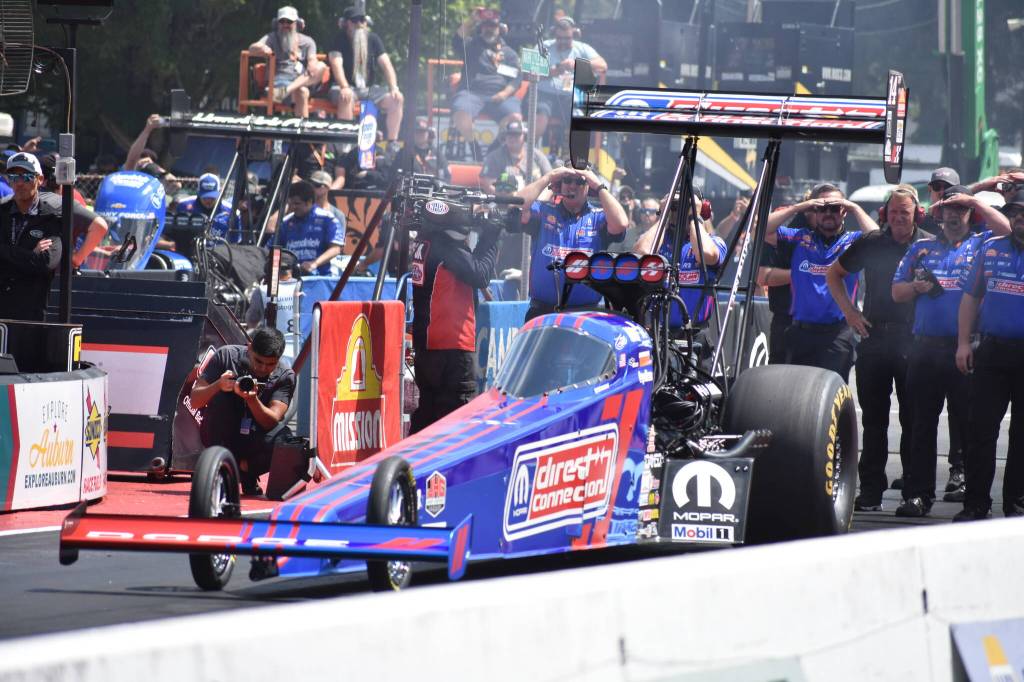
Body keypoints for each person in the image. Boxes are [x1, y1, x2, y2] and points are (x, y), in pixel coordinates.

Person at [891, 185, 1010, 517]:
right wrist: (915, 287)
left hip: (967, 350)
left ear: (970, 214)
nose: (954, 216)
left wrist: (973, 199)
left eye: (961, 210)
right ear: (938, 214)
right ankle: (917, 496)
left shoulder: (984, 243)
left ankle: (973, 498)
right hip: (925, 349)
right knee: (920, 426)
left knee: (972, 427)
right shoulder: (921, 247)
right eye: (949, 209)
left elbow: (1010, 229)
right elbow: (896, 292)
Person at [825, 186, 928, 512]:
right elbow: (834, 274)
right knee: (874, 421)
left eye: (905, 212)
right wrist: (850, 313)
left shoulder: (927, 244)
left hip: (914, 341)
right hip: (875, 338)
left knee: (915, 421)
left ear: (916, 215)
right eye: (894, 212)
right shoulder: (871, 242)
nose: (899, 217)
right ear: (886, 214)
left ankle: (914, 490)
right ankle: (870, 490)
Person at [954, 189, 1024, 521]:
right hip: (993, 350)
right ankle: (976, 504)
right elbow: (969, 298)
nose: (1021, 221)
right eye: (1017, 216)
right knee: (980, 429)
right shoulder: (991, 248)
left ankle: (1016, 503)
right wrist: (963, 343)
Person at [764, 183, 879, 380]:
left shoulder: (853, 241)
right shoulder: (799, 237)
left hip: (838, 335)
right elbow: (762, 230)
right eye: (822, 208)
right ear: (814, 212)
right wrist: (799, 207)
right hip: (800, 333)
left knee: (829, 396)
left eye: (834, 208)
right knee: (798, 398)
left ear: (843, 212)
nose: (828, 213)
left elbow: (878, 240)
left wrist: (854, 207)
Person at [409, 201, 500, 432]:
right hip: (452, 347)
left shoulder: (425, 242)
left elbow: (470, 268)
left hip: (427, 345)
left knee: (427, 413)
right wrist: (492, 235)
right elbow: (480, 275)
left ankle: (412, 465)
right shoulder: (447, 248)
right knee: (457, 419)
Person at [189, 328, 296, 495]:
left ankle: (246, 472)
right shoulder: (226, 356)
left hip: (255, 438)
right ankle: (223, 467)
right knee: (221, 400)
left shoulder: (285, 376)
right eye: (258, 361)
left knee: (285, 439)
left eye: (270, 364)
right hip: (221, 431)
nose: (262, 368)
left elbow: (272, 420)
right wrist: (218, 385)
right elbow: (195, 401)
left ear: (279, 359)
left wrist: (251, 399)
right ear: (249, 347)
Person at [513, 165, 628, 321]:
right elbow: (515, 205)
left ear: (588, 186)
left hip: (586, 315)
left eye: (580, 181)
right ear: (560, 184)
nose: (572, 186)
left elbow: (621, 223)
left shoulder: (598, 217)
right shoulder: (544, 211)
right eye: (567, 180)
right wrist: (549, 176)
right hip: (542, 312)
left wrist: (599, 186)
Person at [633, 189, 727, 330]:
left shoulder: (714, 242)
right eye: (675, 206)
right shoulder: (658, 240)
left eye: (686, 206)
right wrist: (664, 216)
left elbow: (706, 254)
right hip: (658, 332)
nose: (678, 212)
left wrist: (694, 216)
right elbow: (639, 255)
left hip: (695, 333)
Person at [0, 153, 62, 321]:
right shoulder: (2, 212)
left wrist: (7, 254)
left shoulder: (51, 216)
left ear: (40, 179)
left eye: (26, 177)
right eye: (13, 177)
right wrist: (31, 254)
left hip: (31, 313)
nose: (19, 183)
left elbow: (46, 263)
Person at [328, 6, 404, 140]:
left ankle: (392, 143)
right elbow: (336, 64)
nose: (359, 24)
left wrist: (394, 88)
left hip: (368, 90)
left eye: (362, 20)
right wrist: (344, 87)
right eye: (355, 20)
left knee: (397, 99)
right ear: (346, 23)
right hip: (344, 88)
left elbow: (386, 65)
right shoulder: (339, 39)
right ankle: (346, 146)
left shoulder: (373, 39)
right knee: (347, 97)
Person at [450, 9, 523, 147]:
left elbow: (517, 78)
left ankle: (494, 149)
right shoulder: (471, 45)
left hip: (500, 96)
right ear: (481, 27)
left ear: (500, 28)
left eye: (493, 26)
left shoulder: (509, 53)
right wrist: (472, 20)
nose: (489, 29)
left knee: (515, 118)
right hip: (471, 94)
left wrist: (504, 93)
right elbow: (456, 41)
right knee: (460, 114)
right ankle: (474, 147)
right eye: (486, 25)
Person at [535, 17, 607, 144]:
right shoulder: (543, 46)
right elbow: (529, 72)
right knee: (541, 113)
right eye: (559, 38)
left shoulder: (582, 48)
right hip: (545, 95)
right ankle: (529, 150)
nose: (563, 41)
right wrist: (555, 71)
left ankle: (573, 155)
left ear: (574, 34)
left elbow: (602, 65)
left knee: (578, 115)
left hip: (570, 96)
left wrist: (577, 64)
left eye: (567, 38)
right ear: (554, 35)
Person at [249, 6, 327, 120]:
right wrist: (262, 48)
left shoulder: (308, 41)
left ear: (297, 23)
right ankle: (299, 136)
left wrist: (312, 63)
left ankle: (287, 90)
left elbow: (313, 63)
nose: (285, 25)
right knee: (303, 92)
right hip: (279, 83)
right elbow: (252, 48)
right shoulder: (272, 37)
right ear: (277, 23)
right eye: (282, 21)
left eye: (289, 21)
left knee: (321, 66)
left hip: (300, 81)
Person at [271, 180, 344, 275]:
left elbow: (336, 249)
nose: (293, 207)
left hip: (321, 279)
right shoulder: (285, 222)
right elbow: (272, 250)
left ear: (309, 202)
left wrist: (315, 263)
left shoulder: (327, 219)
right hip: (291, 279)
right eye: (291, 203)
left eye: (297, 203)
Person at [479, 120, 550, 195]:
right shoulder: (494, 157)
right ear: (505, 137)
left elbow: (550, 178)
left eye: (516, 135)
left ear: (524, 136)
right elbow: (488, 185)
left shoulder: (537, 155)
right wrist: (508, 198)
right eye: (509, 135)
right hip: (505, 204)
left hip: (535, 202)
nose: (512, 138)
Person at [174, 173, 237, 243]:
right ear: (198, 193)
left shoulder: (231, 211)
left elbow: (235, 242)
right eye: (205, 197)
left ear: (219, 193)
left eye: (212, 197)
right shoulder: (183, 206)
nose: (208, 200)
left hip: (219, 251)